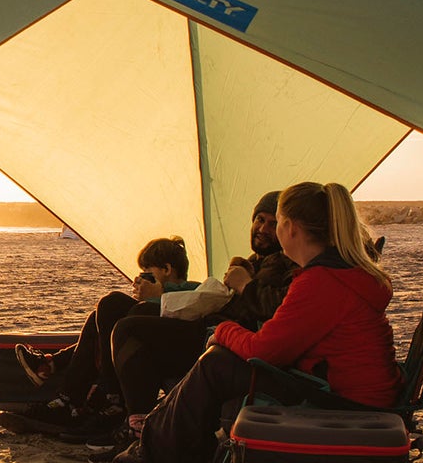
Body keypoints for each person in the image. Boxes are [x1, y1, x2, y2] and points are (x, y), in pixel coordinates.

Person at [96, 181, 398, 463]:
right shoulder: (339, 273)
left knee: (216, 365)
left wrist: (223, 331)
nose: (271, 229)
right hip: (343, 390)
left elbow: (265, 350)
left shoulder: (322, 282)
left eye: (277, 221)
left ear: (290, 228)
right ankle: (161, 453)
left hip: (342, 401)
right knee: (220, 361)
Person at [100, 191, 294, 446]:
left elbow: (279, 309)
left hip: (222, 340)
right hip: (211, 327)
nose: (263, 229)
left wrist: (245, 285)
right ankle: (111, 405)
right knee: (117, 306)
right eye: (259, 220)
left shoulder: (288, 263)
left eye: (272, 223)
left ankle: (139, 429)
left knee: (131, 328)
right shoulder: (253, 262)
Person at [1, 235, 194, 438]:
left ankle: (101, 394)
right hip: (143, 346)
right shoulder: (160, 297)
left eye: (147, 273)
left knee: (112, 303)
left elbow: (178, 313)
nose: (141, 278)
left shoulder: (194, 291)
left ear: (166, 269)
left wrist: (157, 296)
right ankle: (67, 398)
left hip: (167, 351)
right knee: (99, 316)